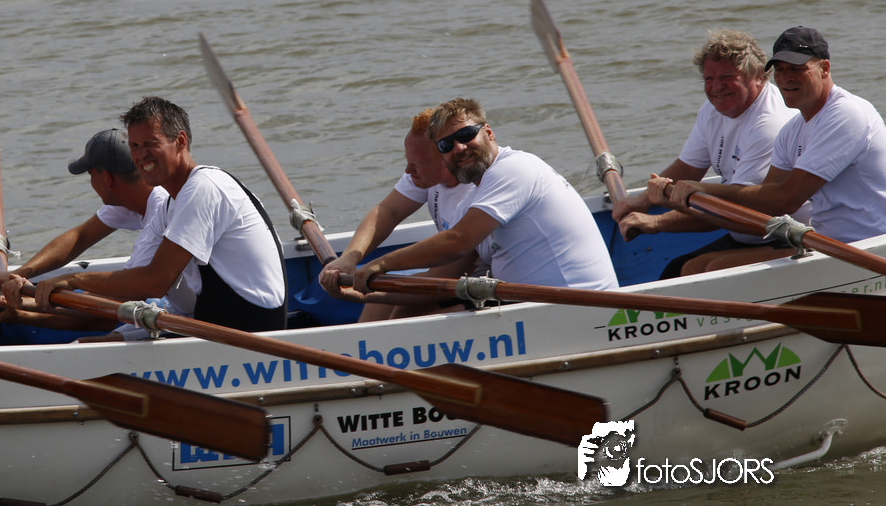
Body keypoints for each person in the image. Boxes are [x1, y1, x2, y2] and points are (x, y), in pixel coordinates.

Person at [8, 96, 287, 332]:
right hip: (216, 324)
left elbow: (155, 281)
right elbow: (133, 282)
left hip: (253, 331)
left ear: (180, 141)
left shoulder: (203, 188)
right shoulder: (170, 204)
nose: (141, 156)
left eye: (150, 143)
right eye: (135, 146)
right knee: (94, 345)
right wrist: (27, 287)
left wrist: (71, 281)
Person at [656, 27, 886, 272]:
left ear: (825, 69)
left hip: (868, 246)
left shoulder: (846, 114)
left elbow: (786, 200)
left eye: (797, 69)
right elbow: (767, 202)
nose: (786, 78)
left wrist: (703, 189)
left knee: (713, 268)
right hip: (825, 244)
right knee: (693, 267)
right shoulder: (791, 130)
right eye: (780, 69)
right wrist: (684, 203)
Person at [354, 98, 618, 298]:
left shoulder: (513, 169)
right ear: (442, 155)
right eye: (446, 145)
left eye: (466, 135)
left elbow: (457, 242)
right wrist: (363, 290)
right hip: (529, 307)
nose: (459, 147)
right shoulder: (474, 192)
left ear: (488, 133)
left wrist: (380, 264)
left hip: (579, 307)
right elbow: (393, 213)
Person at [611, 29, 800, 278]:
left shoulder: (769, 125)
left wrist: (656, 221)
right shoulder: (714, 109)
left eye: (728, 77)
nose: (716, 87)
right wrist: (642, 200)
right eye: (709, 78)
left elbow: (739, 212)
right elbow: (687, 168)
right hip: (745, 233)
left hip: (784, 235)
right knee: (676, 270)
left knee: (697, 271)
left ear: (758, 76)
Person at [0, 127, 196, 342]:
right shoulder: (138, 197)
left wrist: (26, 305)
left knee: (82, 345)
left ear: (107, 178)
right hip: (179, 311)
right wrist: (21, 274)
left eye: (90, 175)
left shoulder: (158, 219)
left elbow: (106, 314)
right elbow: (80, 237)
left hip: (200, 320)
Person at [318, 108, 480, 321]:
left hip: (486, 287)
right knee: (382, 302)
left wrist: (355, 294)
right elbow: (389, 211)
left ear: (446, 157)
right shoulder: (428, 173)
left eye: (416, 165)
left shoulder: (476, 196)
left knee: (402, 313)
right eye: (408, 161)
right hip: (452, 277)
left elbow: (437, 282)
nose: (407, 171)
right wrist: (350, 257)